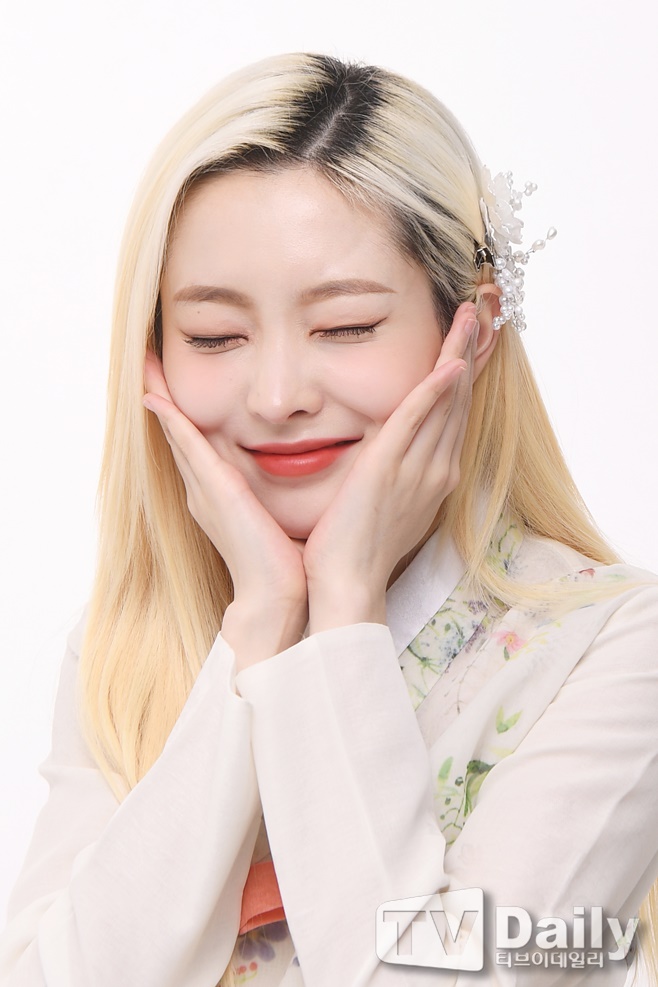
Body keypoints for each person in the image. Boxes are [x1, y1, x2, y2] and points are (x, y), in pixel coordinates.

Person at [1, 51, 657, 987]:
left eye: (344, 326)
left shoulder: (611, 646)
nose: (277, 396)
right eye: (215, 336)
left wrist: (343, 606)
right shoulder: (130, 645)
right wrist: (262, 623)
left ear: (472, 329)